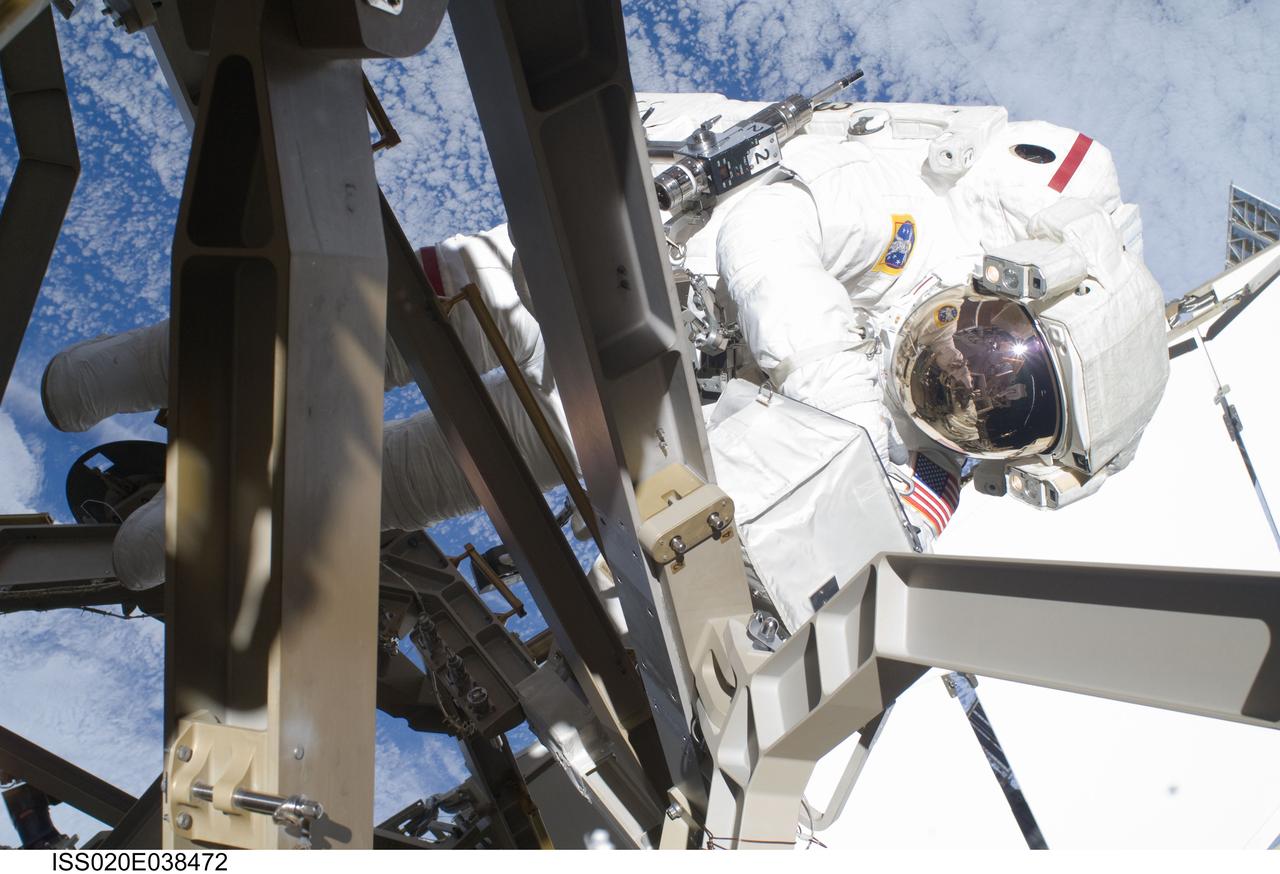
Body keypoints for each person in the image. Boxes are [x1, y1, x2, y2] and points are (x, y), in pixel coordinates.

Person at [39, 94, 1170, 630]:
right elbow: (761, 230)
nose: (971, 387)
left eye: (1000, 412)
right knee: (358, 329)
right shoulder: (920, 229)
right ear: (1018, 288)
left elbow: (803, 571)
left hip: (647, 394)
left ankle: (187, 528)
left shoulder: (917, 466)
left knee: (418, 474)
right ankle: (122, 377)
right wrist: (825, 372)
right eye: (995, 357)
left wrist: (708, 610)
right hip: (621, 256)